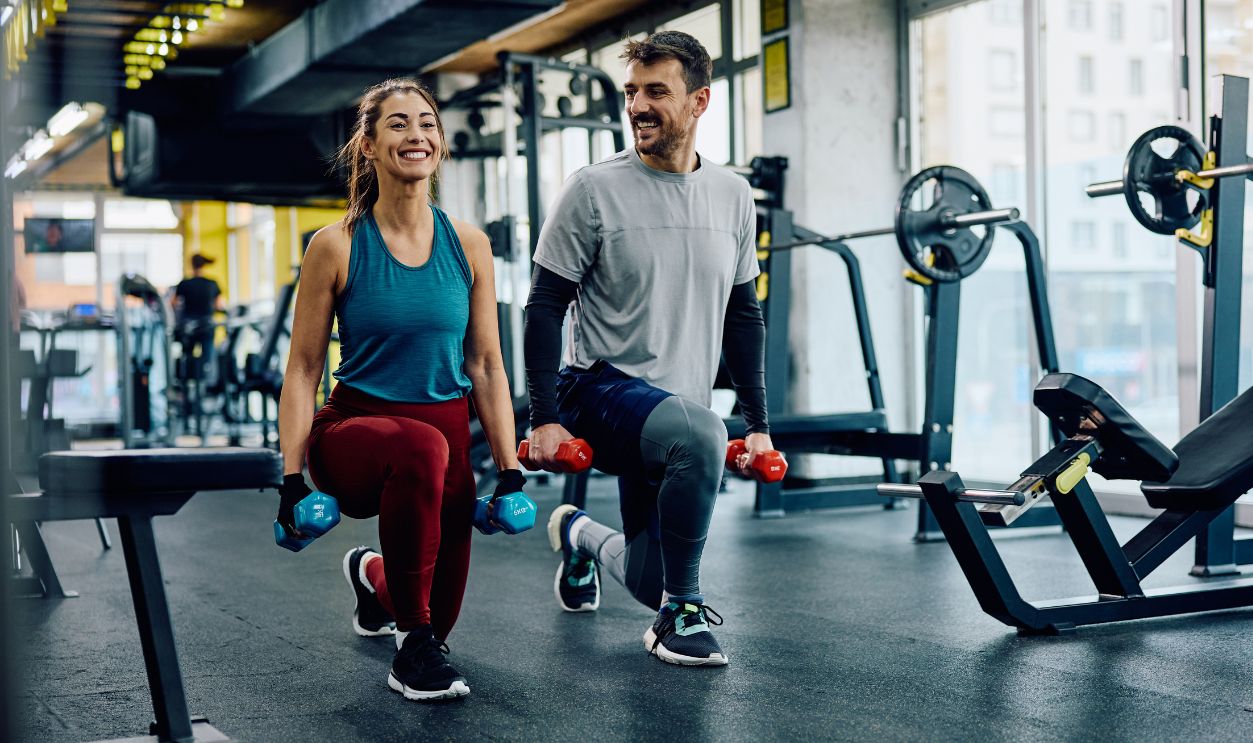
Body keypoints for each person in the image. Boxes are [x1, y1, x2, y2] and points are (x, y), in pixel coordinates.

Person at [524, 31, 774, 667]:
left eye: (656, 91)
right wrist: (544, 417)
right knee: (699, 437)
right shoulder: (592, 189)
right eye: (631, 91)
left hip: (675, 411)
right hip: (600, 390)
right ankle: (681, 612)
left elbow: (744, 317)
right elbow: (544, 305)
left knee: (643, 578)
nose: (638, 105)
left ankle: (578, 536)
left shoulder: (733, 196)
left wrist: (762, 427)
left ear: (699, 103)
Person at [277, 77, 523, 701]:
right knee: (422, 630)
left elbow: (488, 365)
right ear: (368, 143)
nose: (417, 134)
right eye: (397, 123)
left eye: (427, 122)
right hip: (355, 433)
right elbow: (305, 369)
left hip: (443, 442)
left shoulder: (468, 244)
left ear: (440, 141)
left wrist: (510, 469)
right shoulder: (335, 245)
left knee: (436, 613)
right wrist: (288, 481)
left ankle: (373, 577)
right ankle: (409, 654)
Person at [171, 254, 225, 384]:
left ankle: (187, 386)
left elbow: (173, 303)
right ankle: (206, 385)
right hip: (206, 326)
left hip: (189, 327)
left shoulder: (184, 284)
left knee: (187, 358)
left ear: (192, 265)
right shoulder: (212, 283)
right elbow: (219, 305)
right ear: (203, 265)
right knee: (207, 359)